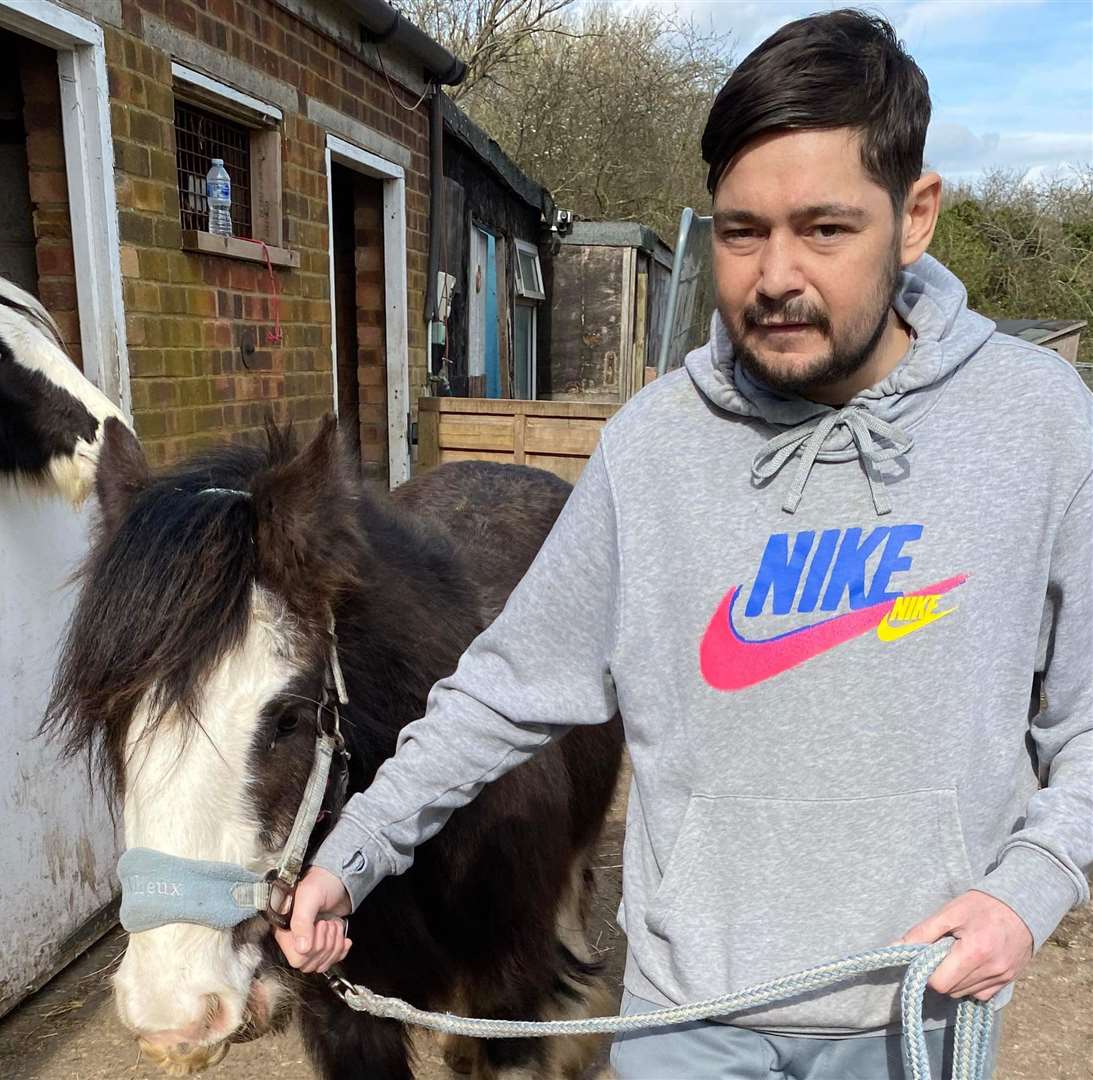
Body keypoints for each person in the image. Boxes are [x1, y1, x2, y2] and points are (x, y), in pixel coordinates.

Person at [276, 11, 1093, 1078]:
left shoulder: (1040, 425)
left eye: (827, 228)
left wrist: (1027, 887)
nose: (775, 275)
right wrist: (354, 852)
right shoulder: (653, 449)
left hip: (915, 1020)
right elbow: (505, 690)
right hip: (685, 1027)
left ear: (917, 215)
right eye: (743, 231)